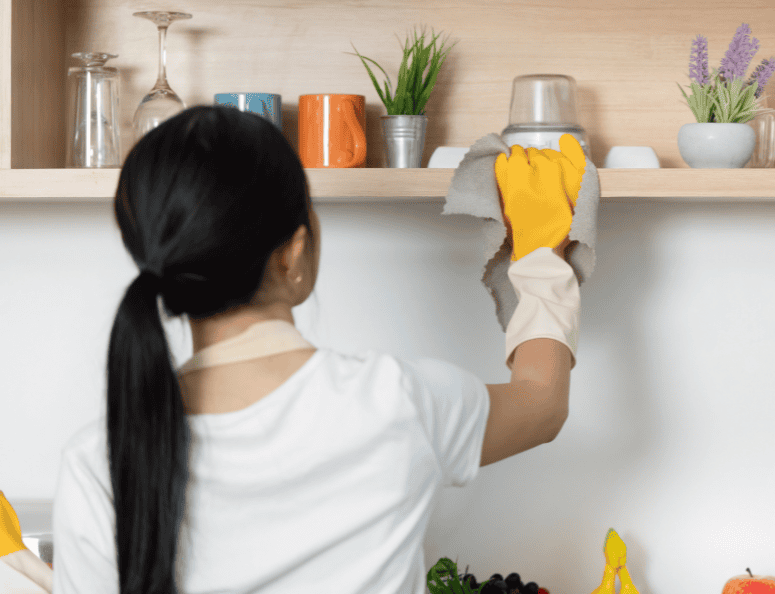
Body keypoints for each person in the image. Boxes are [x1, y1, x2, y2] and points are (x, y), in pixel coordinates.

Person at [51, 105, 583, 594]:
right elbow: (541, 402)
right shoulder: (395, 402)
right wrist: (540, 254)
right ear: (293, 256)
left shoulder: (97, 461)